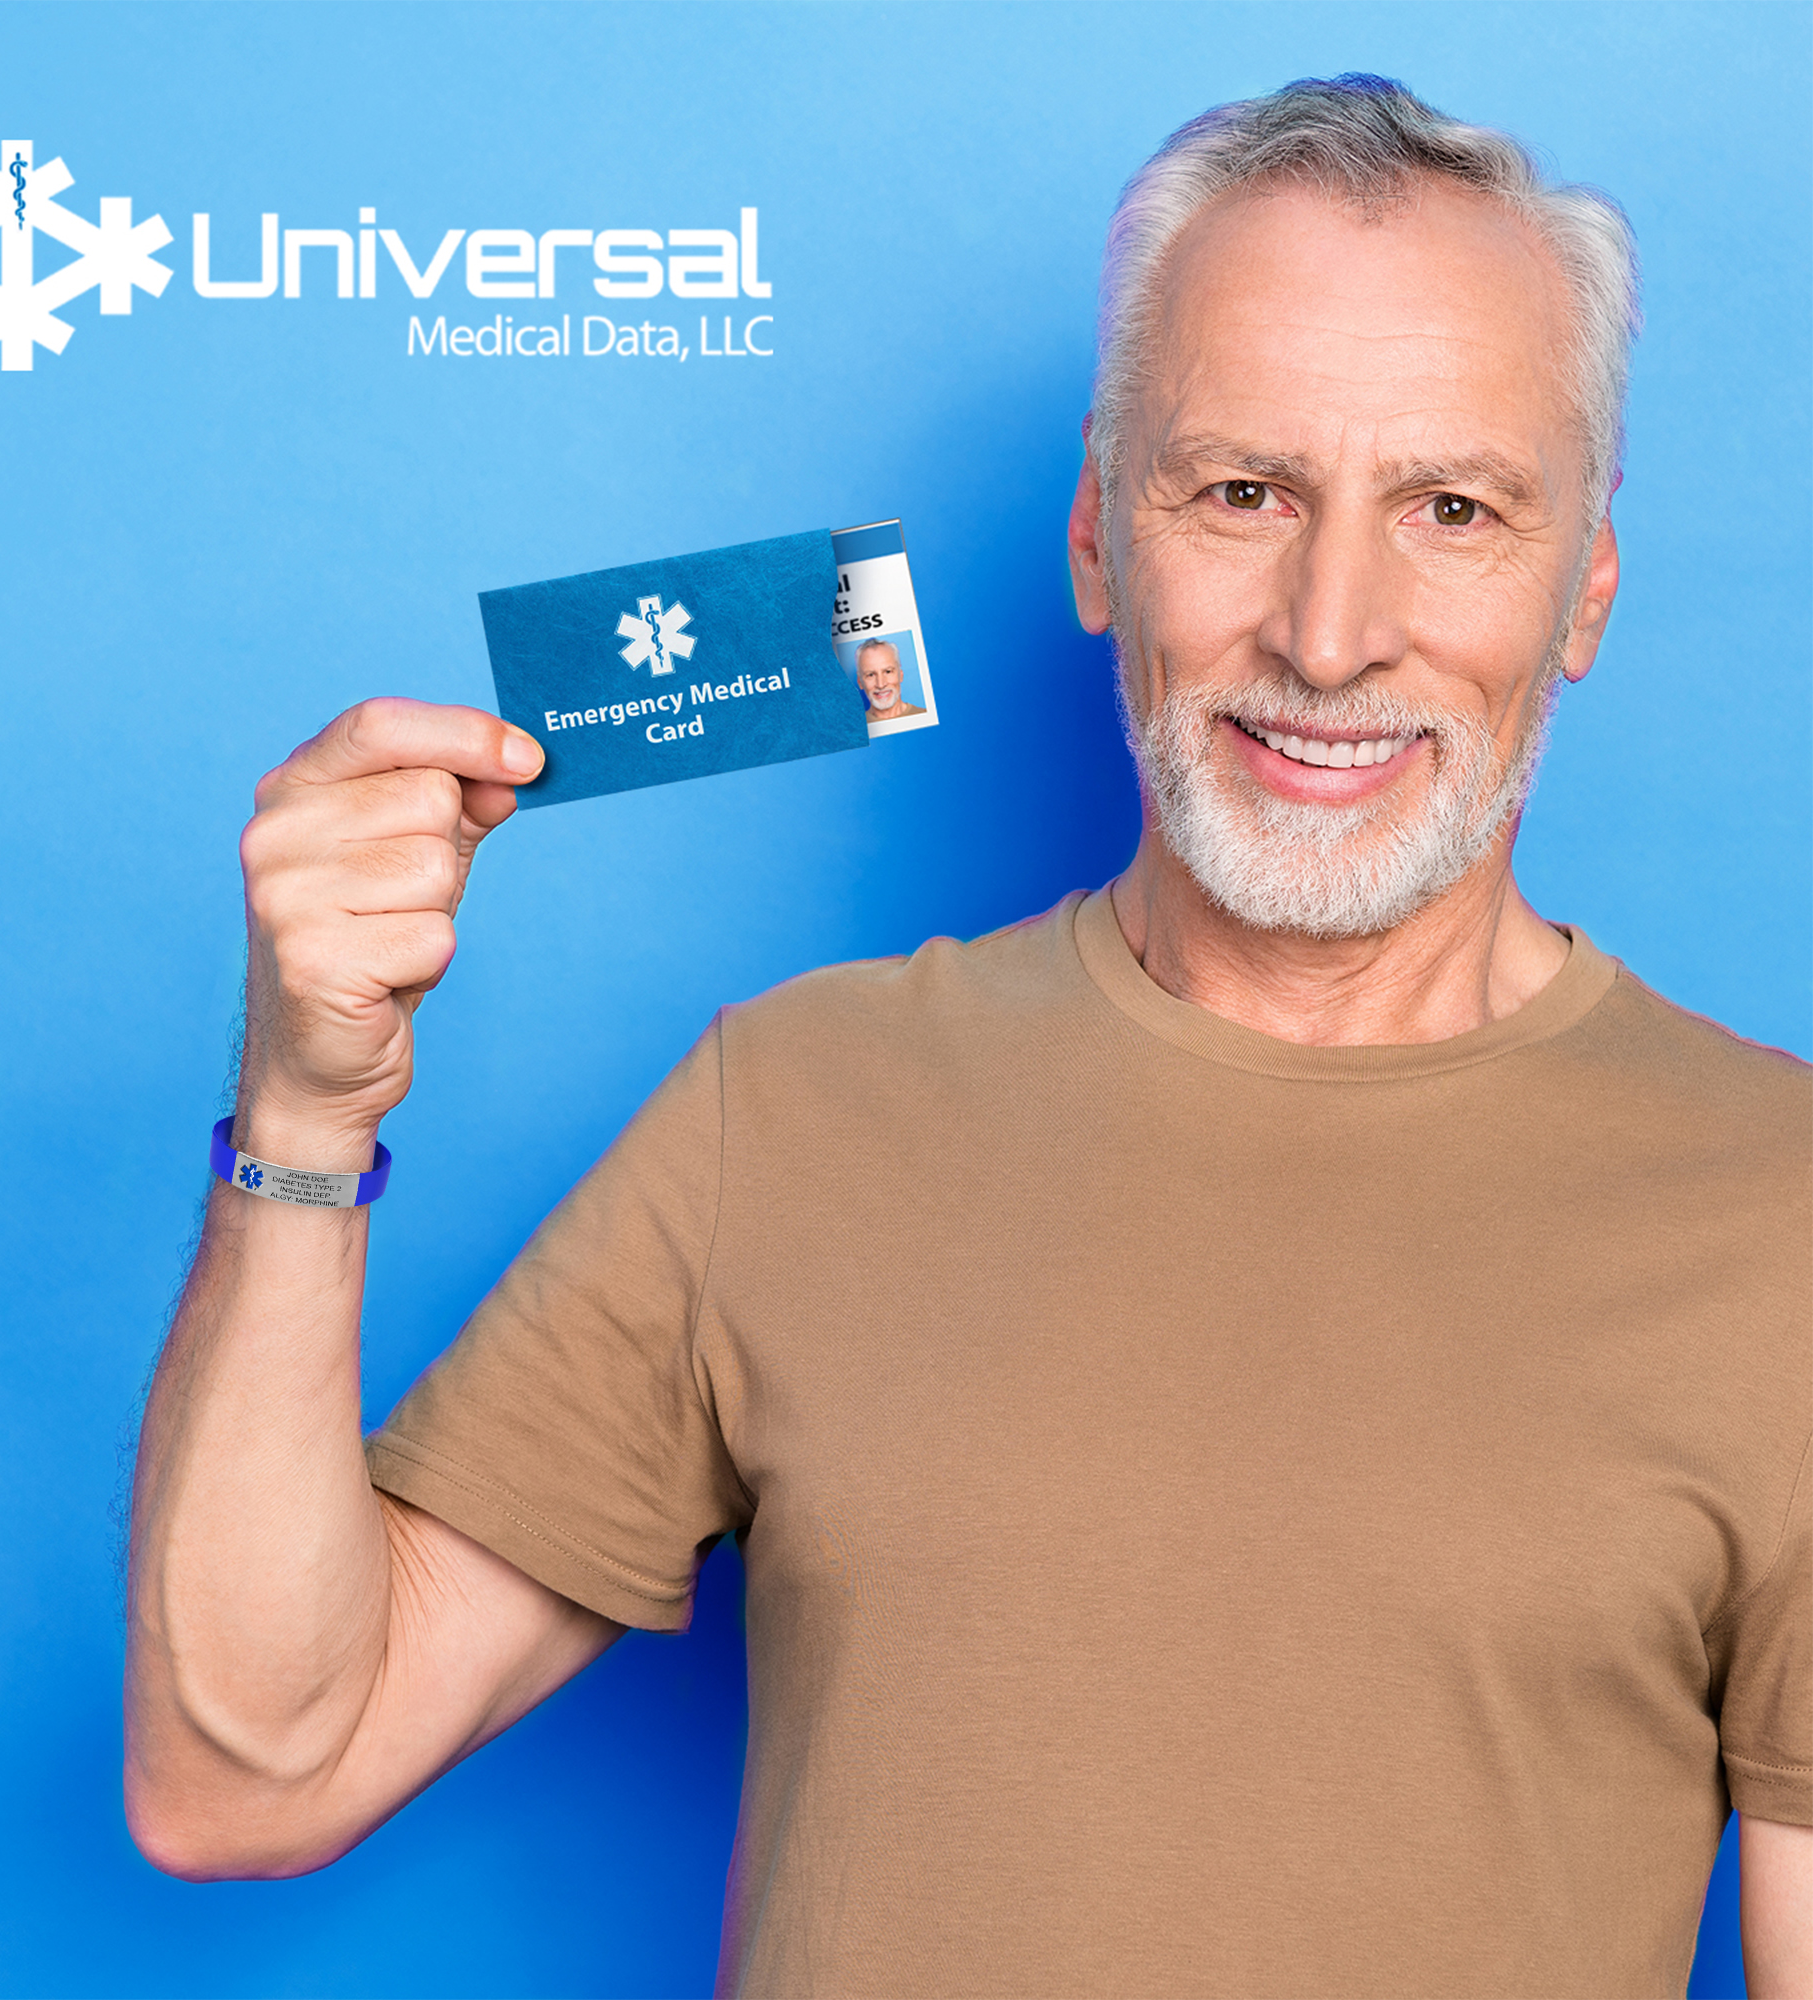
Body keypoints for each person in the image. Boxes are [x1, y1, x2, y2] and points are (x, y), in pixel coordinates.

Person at [123, 76, 1812, 1998]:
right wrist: (302, 1119)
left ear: (1584, 586)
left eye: (1454, 509)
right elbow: (245, 1774)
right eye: (1241, 492)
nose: (1332, 633)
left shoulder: (1790, 1225)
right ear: (1103, 539)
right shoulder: (801, 1102)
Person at [854, 636, 927, 721]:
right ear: (860, 682)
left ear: (900, 675)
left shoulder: (926, 716)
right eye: (870, 675)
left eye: (888, 672)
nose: (881, 685)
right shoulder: (853, 729)